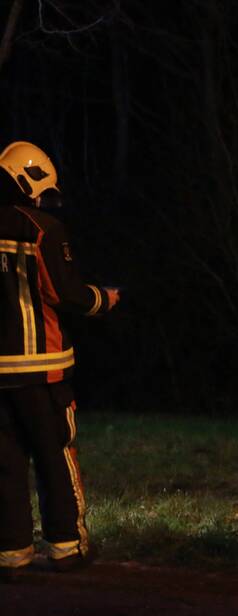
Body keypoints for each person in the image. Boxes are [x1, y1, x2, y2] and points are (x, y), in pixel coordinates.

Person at [0, 141, 119, 582]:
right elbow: (65, 293)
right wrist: (105, 299)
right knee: (55, 453)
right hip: (42, 371)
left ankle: (12, 553)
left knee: (6, 463)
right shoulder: (43, 229)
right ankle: (66, 546)